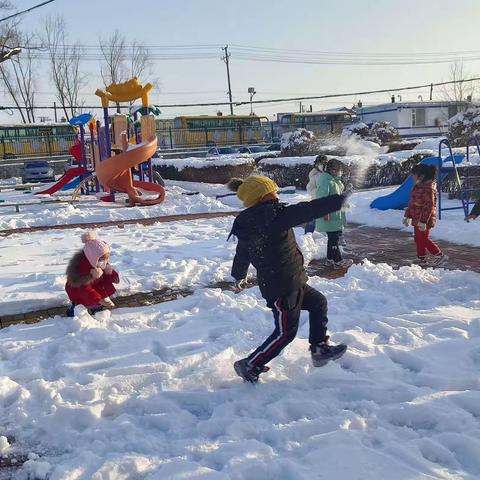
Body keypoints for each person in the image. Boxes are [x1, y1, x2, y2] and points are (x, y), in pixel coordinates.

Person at [227, 175, 348, 383]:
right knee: (285, 334)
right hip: (281, 287)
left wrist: (239, 274)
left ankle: (319, 347)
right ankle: (250, 364)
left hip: (291, 280)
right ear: (264, 196)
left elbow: (242, 252)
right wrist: (337, 201)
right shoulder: (275, 215)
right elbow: (308, 210)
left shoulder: (250, 221)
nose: (277, 193)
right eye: (273, 190)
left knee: (318, 302)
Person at [65, 232, 119, 316]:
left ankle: (96, 307)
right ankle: (74, 310)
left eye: (106, 259)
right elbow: (84, 289)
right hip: (77, 291)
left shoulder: (98, 263)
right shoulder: (83, 269)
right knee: (84, 304)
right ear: (92, 257)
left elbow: (106, 275)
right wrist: (99, 299)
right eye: (101, 259)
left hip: (94, 288)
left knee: (96, 303)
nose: (104, 262)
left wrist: (112, 275)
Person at [403, 163, 446, 267]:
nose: (412, 177)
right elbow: (412, 202)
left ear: (421, 176)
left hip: (424, 219)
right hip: (417, 218)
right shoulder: (417, 187)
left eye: (413, 175)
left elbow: (429, 206)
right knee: (418, 239)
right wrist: (407, 215)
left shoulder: (428, 189)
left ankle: (439, 255)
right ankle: (422, 259)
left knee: (423, 238)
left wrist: (423, 221)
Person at [315, 158, 353, 269]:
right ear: (332, 170)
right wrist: (325, 212)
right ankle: (338, 261)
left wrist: (344, 198)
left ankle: (330, 259)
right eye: (338, 169)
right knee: (334, 238)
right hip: (329, 214)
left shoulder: (333, 180)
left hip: (335, 213)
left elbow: (337, 195)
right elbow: (322, 198)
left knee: (333, 237)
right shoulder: (326, 180)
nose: (340, 172)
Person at [304, 154, 328, 233]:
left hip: (328, 201)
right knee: (312, 220)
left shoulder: (329, 175)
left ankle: (330, 237)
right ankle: (307, 237)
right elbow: (310, 189)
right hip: (317, 201)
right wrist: (319, 192)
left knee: (330, 221)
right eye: (319, 164)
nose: (321, 166)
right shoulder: (314, 176)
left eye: (323, 163)